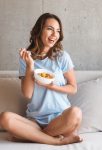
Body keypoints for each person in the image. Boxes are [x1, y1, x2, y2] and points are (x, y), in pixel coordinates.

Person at [0, 13, 82, 145]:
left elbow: (73, 88)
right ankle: (55, 141)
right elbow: (27, 94)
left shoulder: (62, 56)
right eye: (50, 29)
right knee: (5, 118)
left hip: (60, 118)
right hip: (35, 121)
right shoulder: (26, 58)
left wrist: (52, 86)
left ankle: (31, 136)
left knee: (76, 113)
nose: (54, 34)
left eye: (58, 31)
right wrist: (30, 66)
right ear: (39, 30)